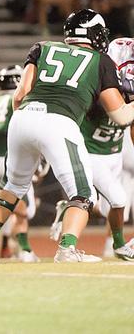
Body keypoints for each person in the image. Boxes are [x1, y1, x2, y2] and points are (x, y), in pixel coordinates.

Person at [0, 9, 134, 263]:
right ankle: (67, 250)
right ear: (93, 34)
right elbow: (121, 116)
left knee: (11, 187)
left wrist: (26, 128)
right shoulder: (101, 61)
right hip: (60, 122)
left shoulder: (41, 47)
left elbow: (20, 94)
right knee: (83, 195)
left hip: (23, 117)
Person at [49, 37, 134, 261]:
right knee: (118, 199)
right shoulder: (100, 89)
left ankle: (68, 209)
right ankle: (117, 245)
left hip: (114, 152)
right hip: (90, 152)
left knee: (110, 209)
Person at [0, 66, 39, 263]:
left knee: (8, 203)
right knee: (25, 209)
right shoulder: (22, 99)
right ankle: (25, 250)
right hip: (7, 158)